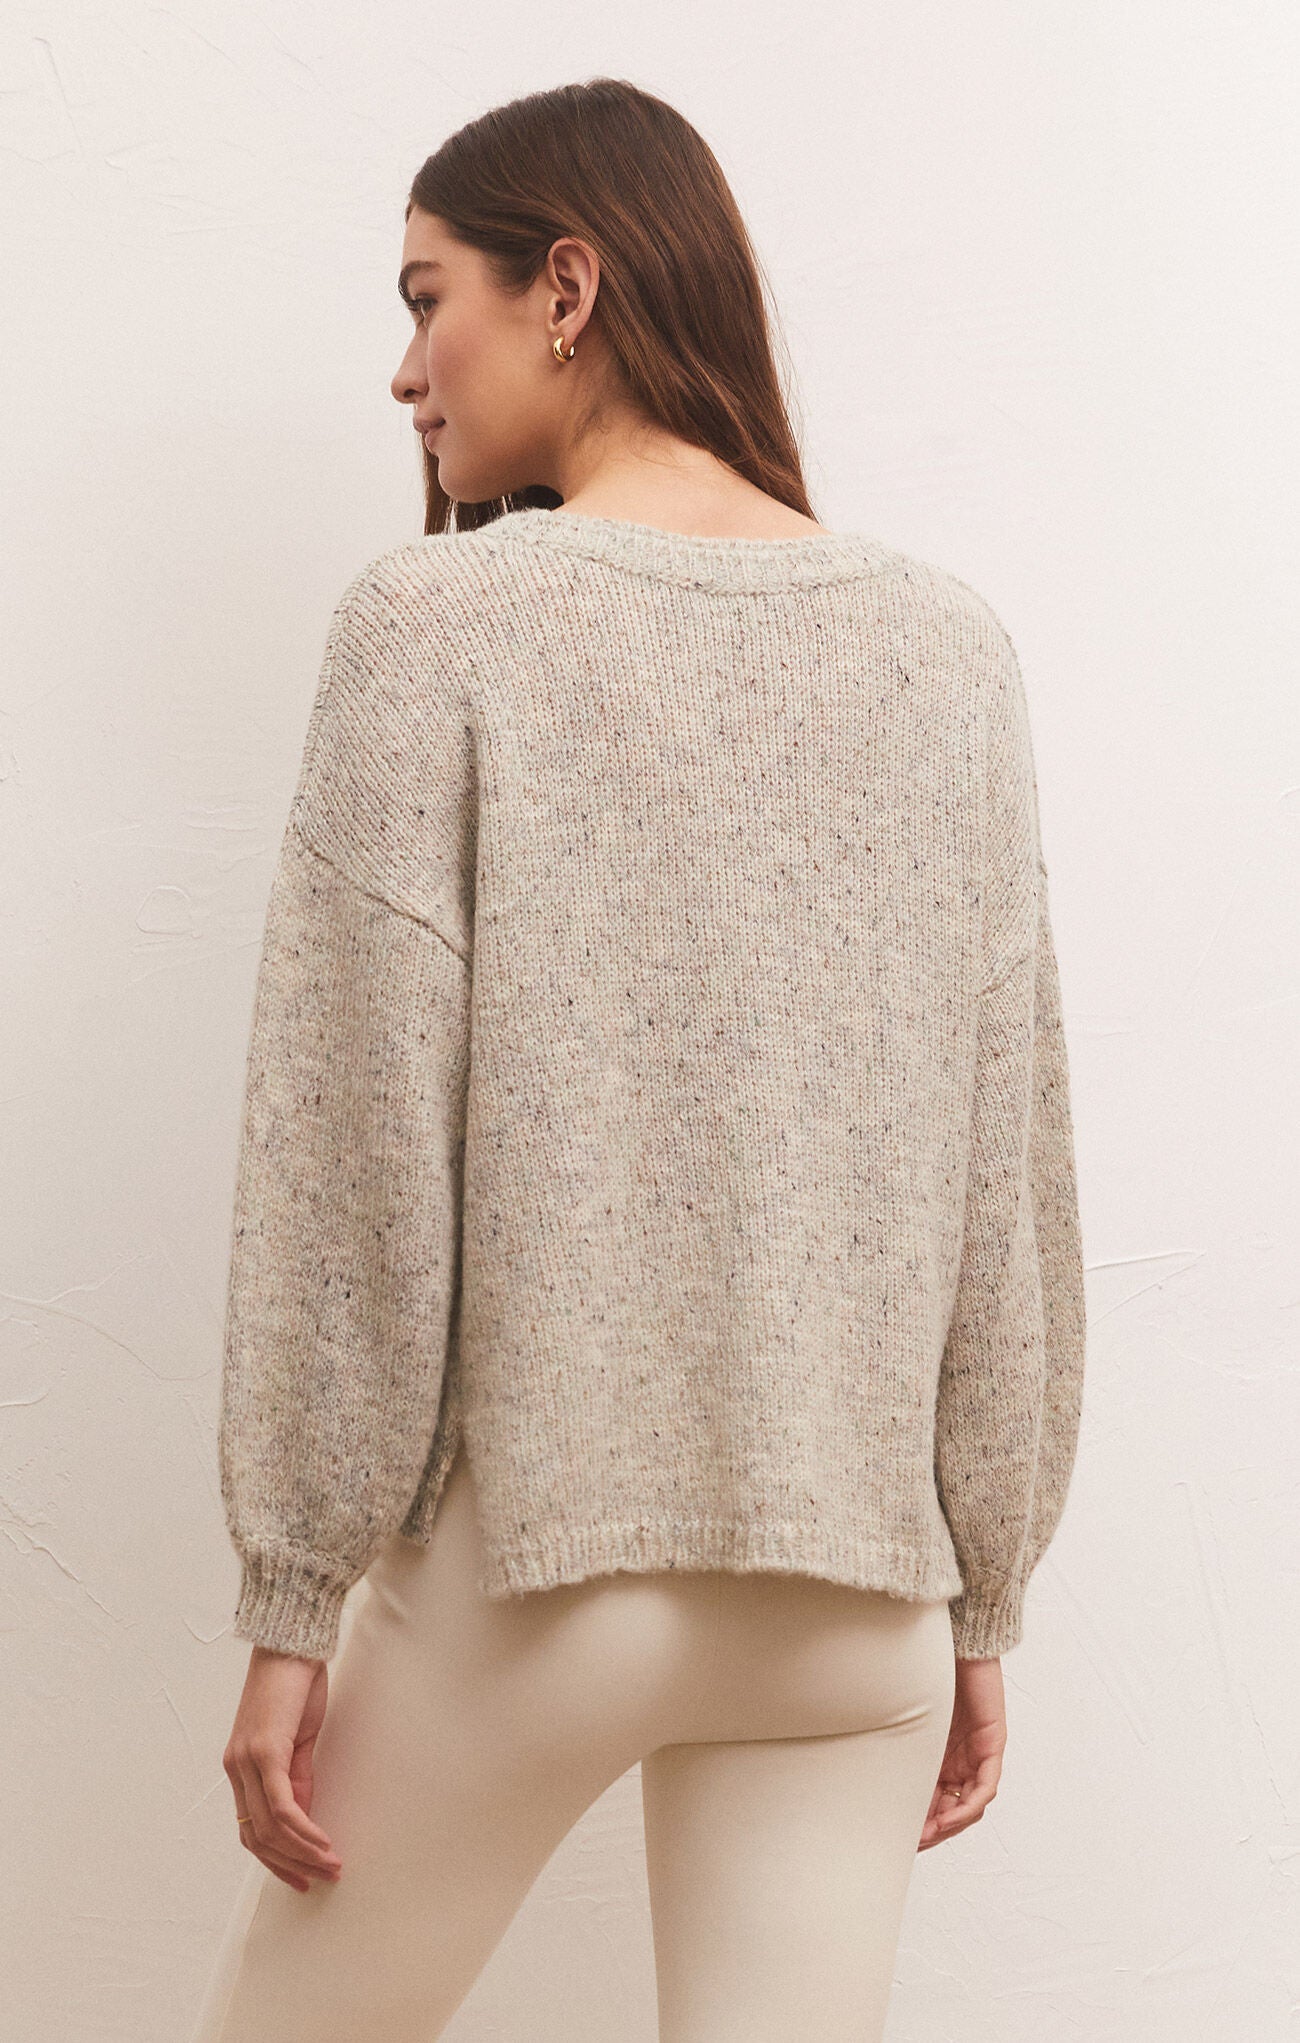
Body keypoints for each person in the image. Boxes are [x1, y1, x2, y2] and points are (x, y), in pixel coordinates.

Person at [190, 76, 1086, 2043]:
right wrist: (980, 1591)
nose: (404, 371)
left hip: (539, 1582)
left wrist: (292, 1593)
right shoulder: (951, 652)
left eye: (428, 299)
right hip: (858, 1609)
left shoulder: (435, 629)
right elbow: (1003, 1175)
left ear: (567, 288)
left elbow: (352, 1159)